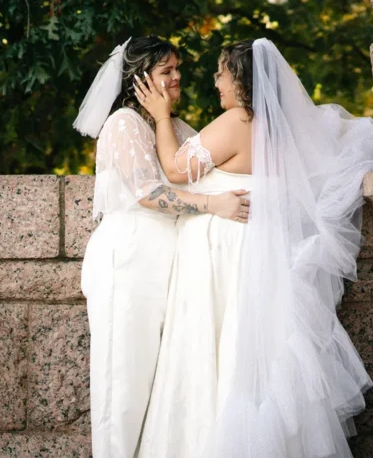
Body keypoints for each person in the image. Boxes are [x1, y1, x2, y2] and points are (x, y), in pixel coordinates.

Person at [134, 39, 373, 458]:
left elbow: (176, 171)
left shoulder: (238, 120)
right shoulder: (282, 126)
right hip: (266, 255)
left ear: (239, 79)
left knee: (229, 356)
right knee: (258, 363)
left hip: (235, 259)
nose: (216, 82)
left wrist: (161, 116)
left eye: (221, 73)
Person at [74, 36, 249, 458]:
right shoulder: (123, 124)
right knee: (123, 382)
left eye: (177, 69)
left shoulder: (172, 126)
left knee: (152, 389)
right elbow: (146, 191)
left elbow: (204, 164)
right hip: (128, 259)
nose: (177, 77)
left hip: (164, 265)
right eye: (166, 71)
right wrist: (214, 205)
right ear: (140, 80)